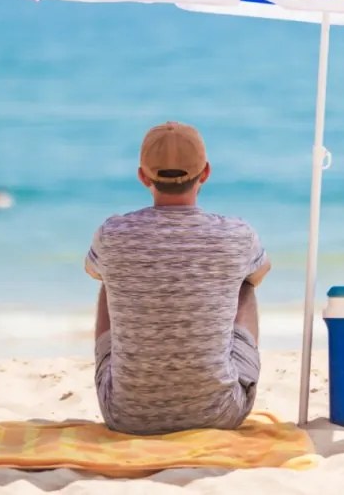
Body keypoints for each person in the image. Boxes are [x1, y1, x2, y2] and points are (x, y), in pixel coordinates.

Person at [85, 121, 270, 435]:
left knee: (108, 277)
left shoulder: (113, 233)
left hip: (127, 415)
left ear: (143, 176)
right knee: (245, 282)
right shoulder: (236, 234)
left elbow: (92, 271)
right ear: (206, 172)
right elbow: (261, 273)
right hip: (220, 413)